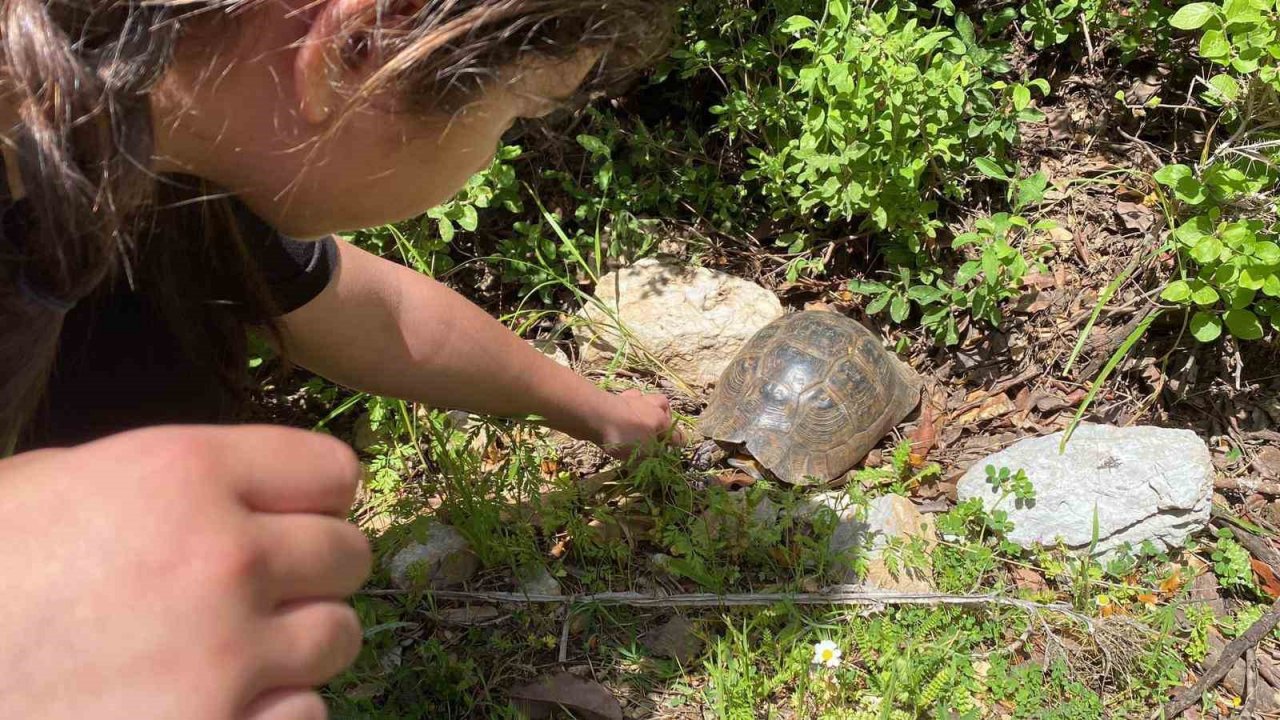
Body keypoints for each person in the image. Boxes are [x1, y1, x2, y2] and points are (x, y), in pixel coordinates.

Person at [0, 1, 675, 718]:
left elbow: (373, 316)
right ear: (354, 49)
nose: (490, 156)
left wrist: (594, 410)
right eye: (516, 115)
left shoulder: (162, 154)